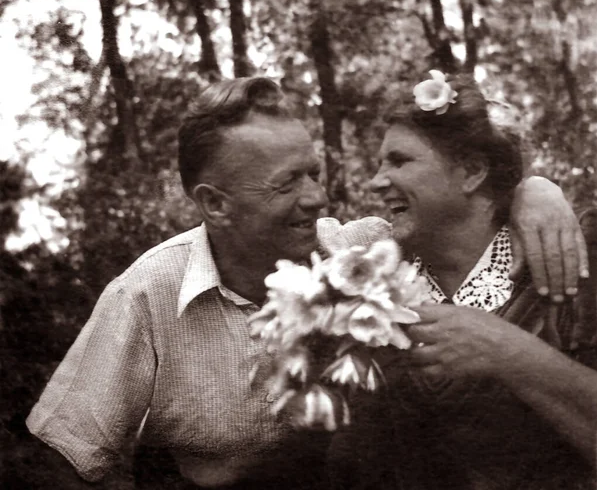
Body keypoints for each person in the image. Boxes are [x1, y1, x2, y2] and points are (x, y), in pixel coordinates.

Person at [25, 77, 587, 489]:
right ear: (214, 204)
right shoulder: (147, 293)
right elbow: (66, 454)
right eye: (287, 183)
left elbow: (467, 211)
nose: (319, 197)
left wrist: (535, 190)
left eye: (313, 172)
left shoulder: (360, 253)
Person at [329, 73, 597, 490]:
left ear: (471, 171)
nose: (377, 181)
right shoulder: (367, 282)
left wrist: (506, 350)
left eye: (399, 161)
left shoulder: (577, 264)